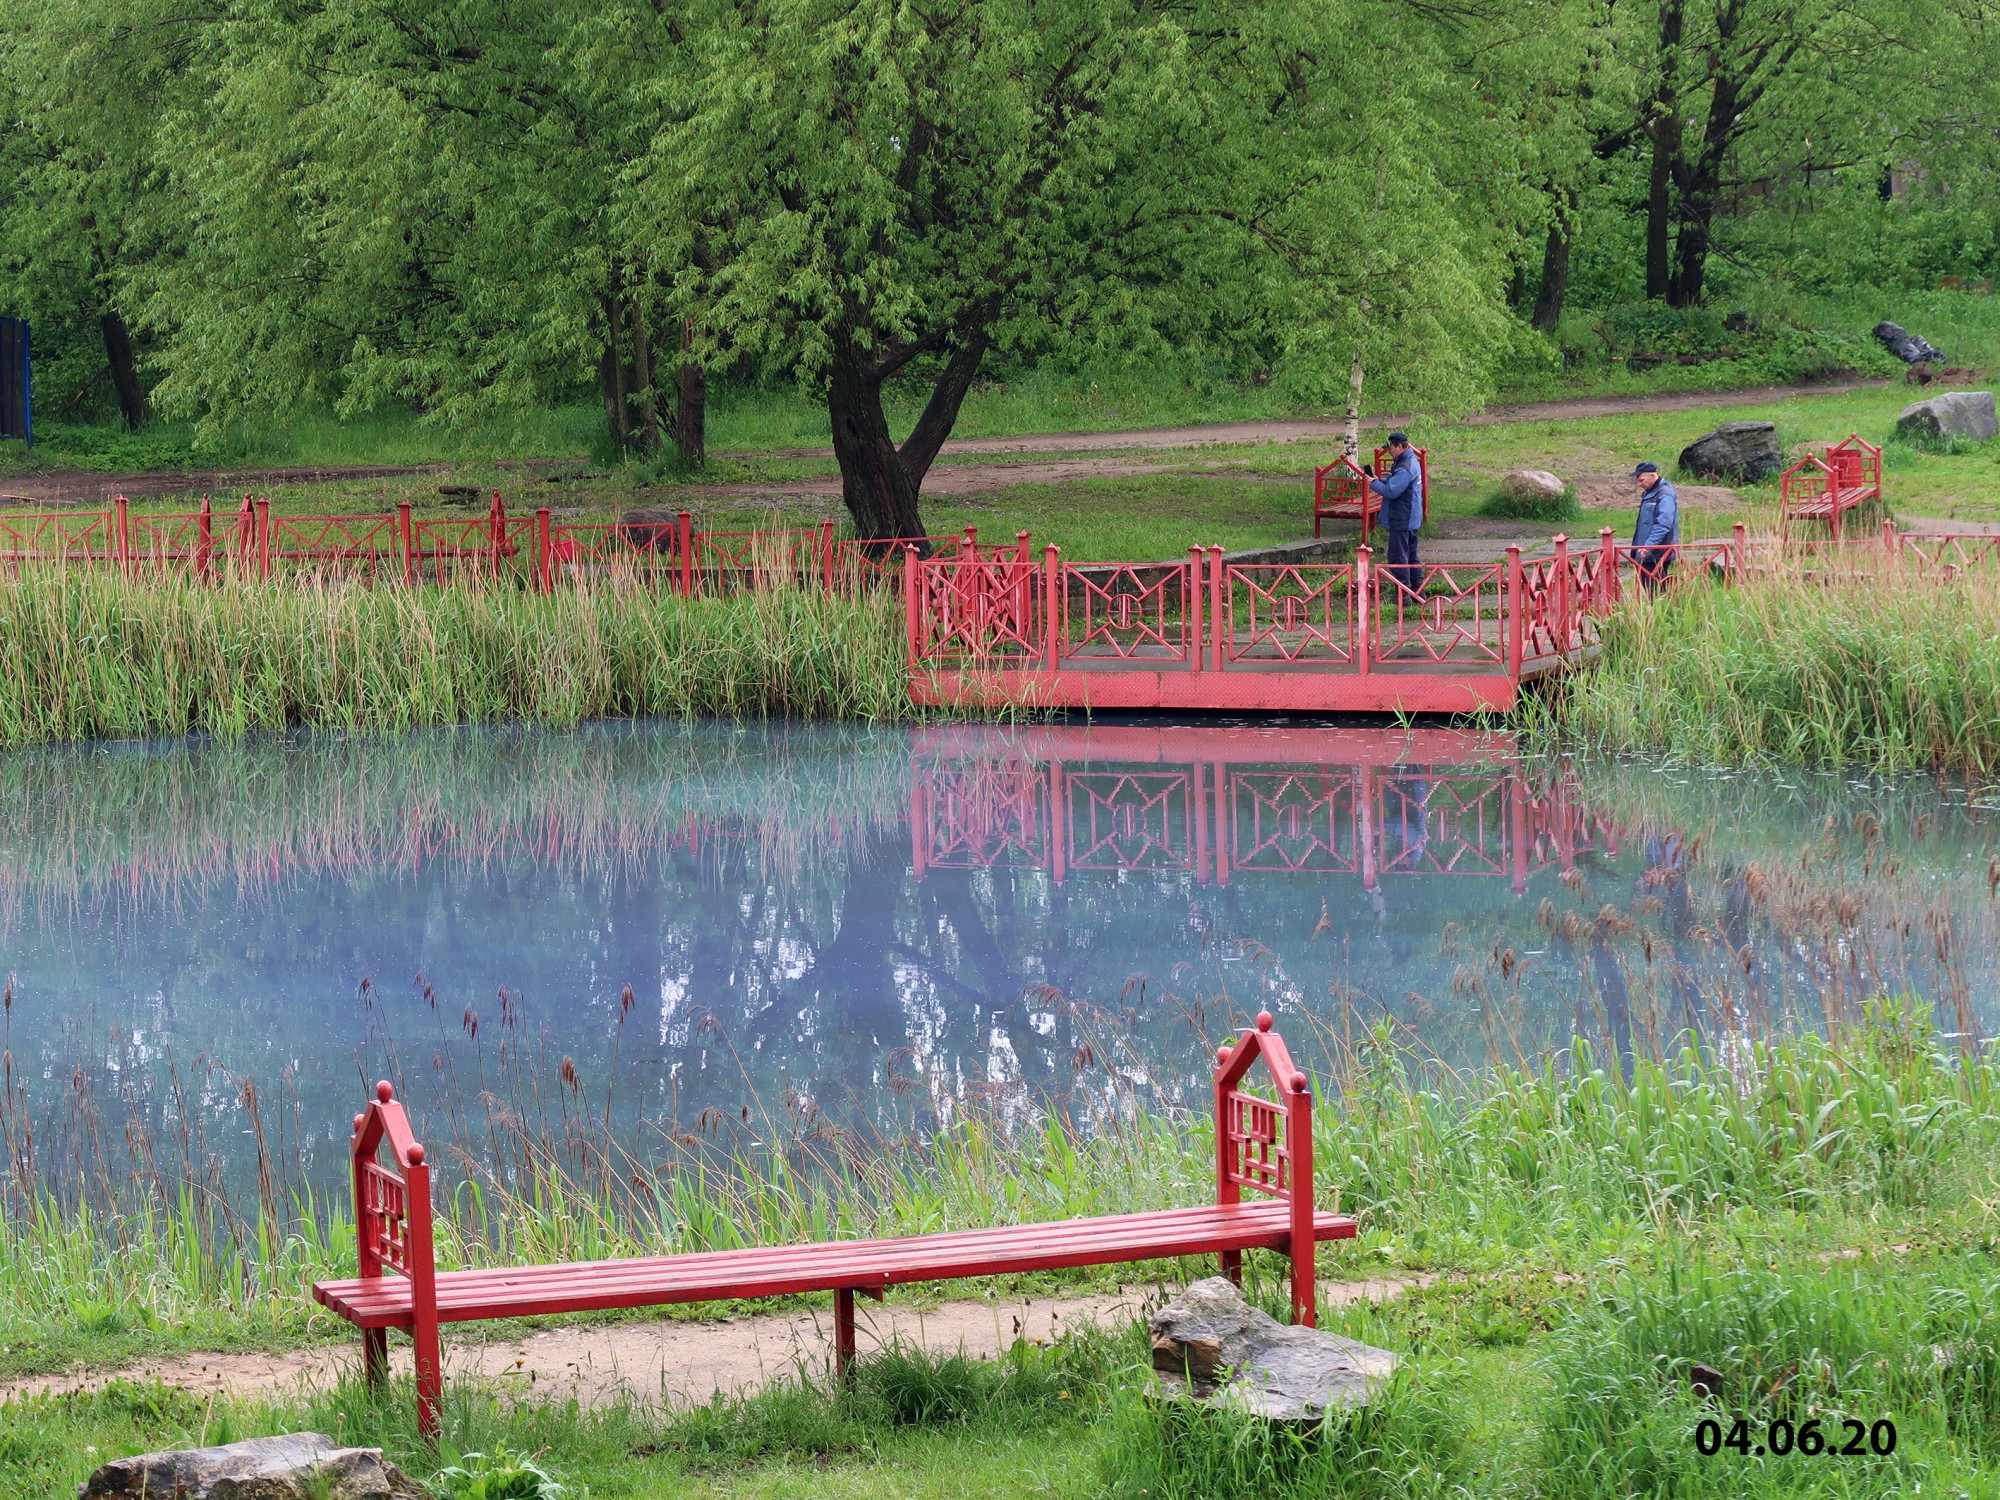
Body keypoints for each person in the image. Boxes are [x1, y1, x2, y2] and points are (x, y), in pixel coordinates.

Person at [1368, 432, 1425, 597]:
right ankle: (1418, 591)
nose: (1388, 451)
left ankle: (1403, 594)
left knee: (1398, 557)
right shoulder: (1410, 461)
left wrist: (1373, 483)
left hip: (1402, 518)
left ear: (1400, 446)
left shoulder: (1405, 467)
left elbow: (1392, 491)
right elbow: (1398, 485)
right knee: (1412, 555)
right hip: (1411, 517)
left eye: (1391, 448)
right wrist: (1381, 481)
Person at [1630, 461, 1680, 594]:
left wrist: (1648, 546)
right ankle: (1657, 612)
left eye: (1642, 480)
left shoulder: (1664, 494)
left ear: (1652, 476)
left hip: (1658, 552)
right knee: (1651, 590)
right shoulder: (1651, 492)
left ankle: (1660, 612)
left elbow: (1664, 523)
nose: (1640, 484)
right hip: (1648, 551)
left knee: (1655, 590)